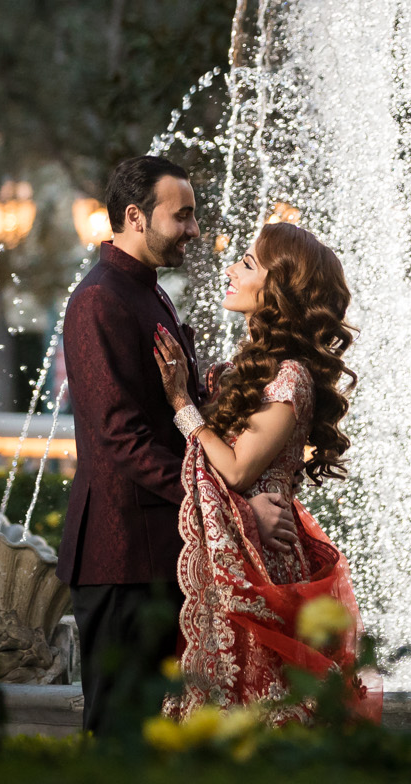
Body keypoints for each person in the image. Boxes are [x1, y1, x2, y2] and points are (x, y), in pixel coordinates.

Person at [56, 155, 298, 735]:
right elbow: (121, 439)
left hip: (160, 553)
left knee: (165, 740)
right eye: (182, 216)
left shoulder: (146, 293)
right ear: (136, 217)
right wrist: (235, 510)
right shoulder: (99, 300)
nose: (194, 229)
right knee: (122, 738)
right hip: (121, 560)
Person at [156, 220, 379, 722]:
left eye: (249, 263)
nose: (232, 267)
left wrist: (179, 403)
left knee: (260, 703)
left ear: (279, 291)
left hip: (264, 562)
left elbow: (236, 470)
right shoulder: (261, 364)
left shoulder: (291, 374)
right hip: (246, 542)